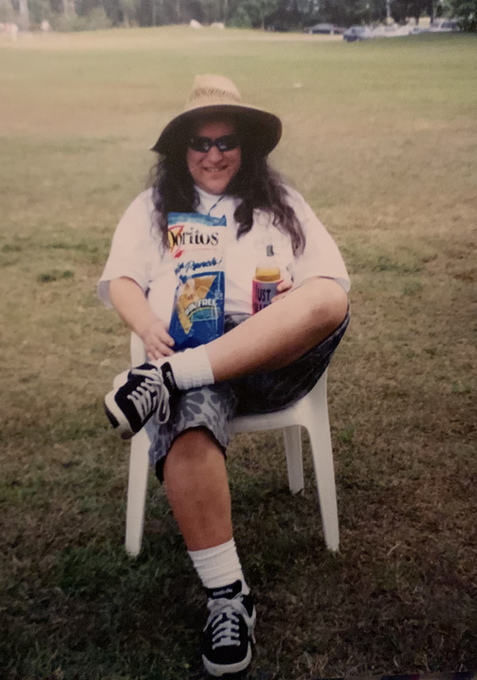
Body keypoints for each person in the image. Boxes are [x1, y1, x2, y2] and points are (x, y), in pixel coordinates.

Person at [98, 74, 350, 677]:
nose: (213, 155)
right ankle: (229, 596)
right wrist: (149, 327)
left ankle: (166, 377)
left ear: (247, 147)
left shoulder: (282, 203)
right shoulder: (153, 207)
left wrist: (288, 298)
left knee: (329, 300)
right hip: (191, 347)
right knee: (187, 416)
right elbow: (122, 280)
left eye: (226, 141)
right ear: (181, 149)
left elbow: (327, 283)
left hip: (272, 359)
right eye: (200, 143)